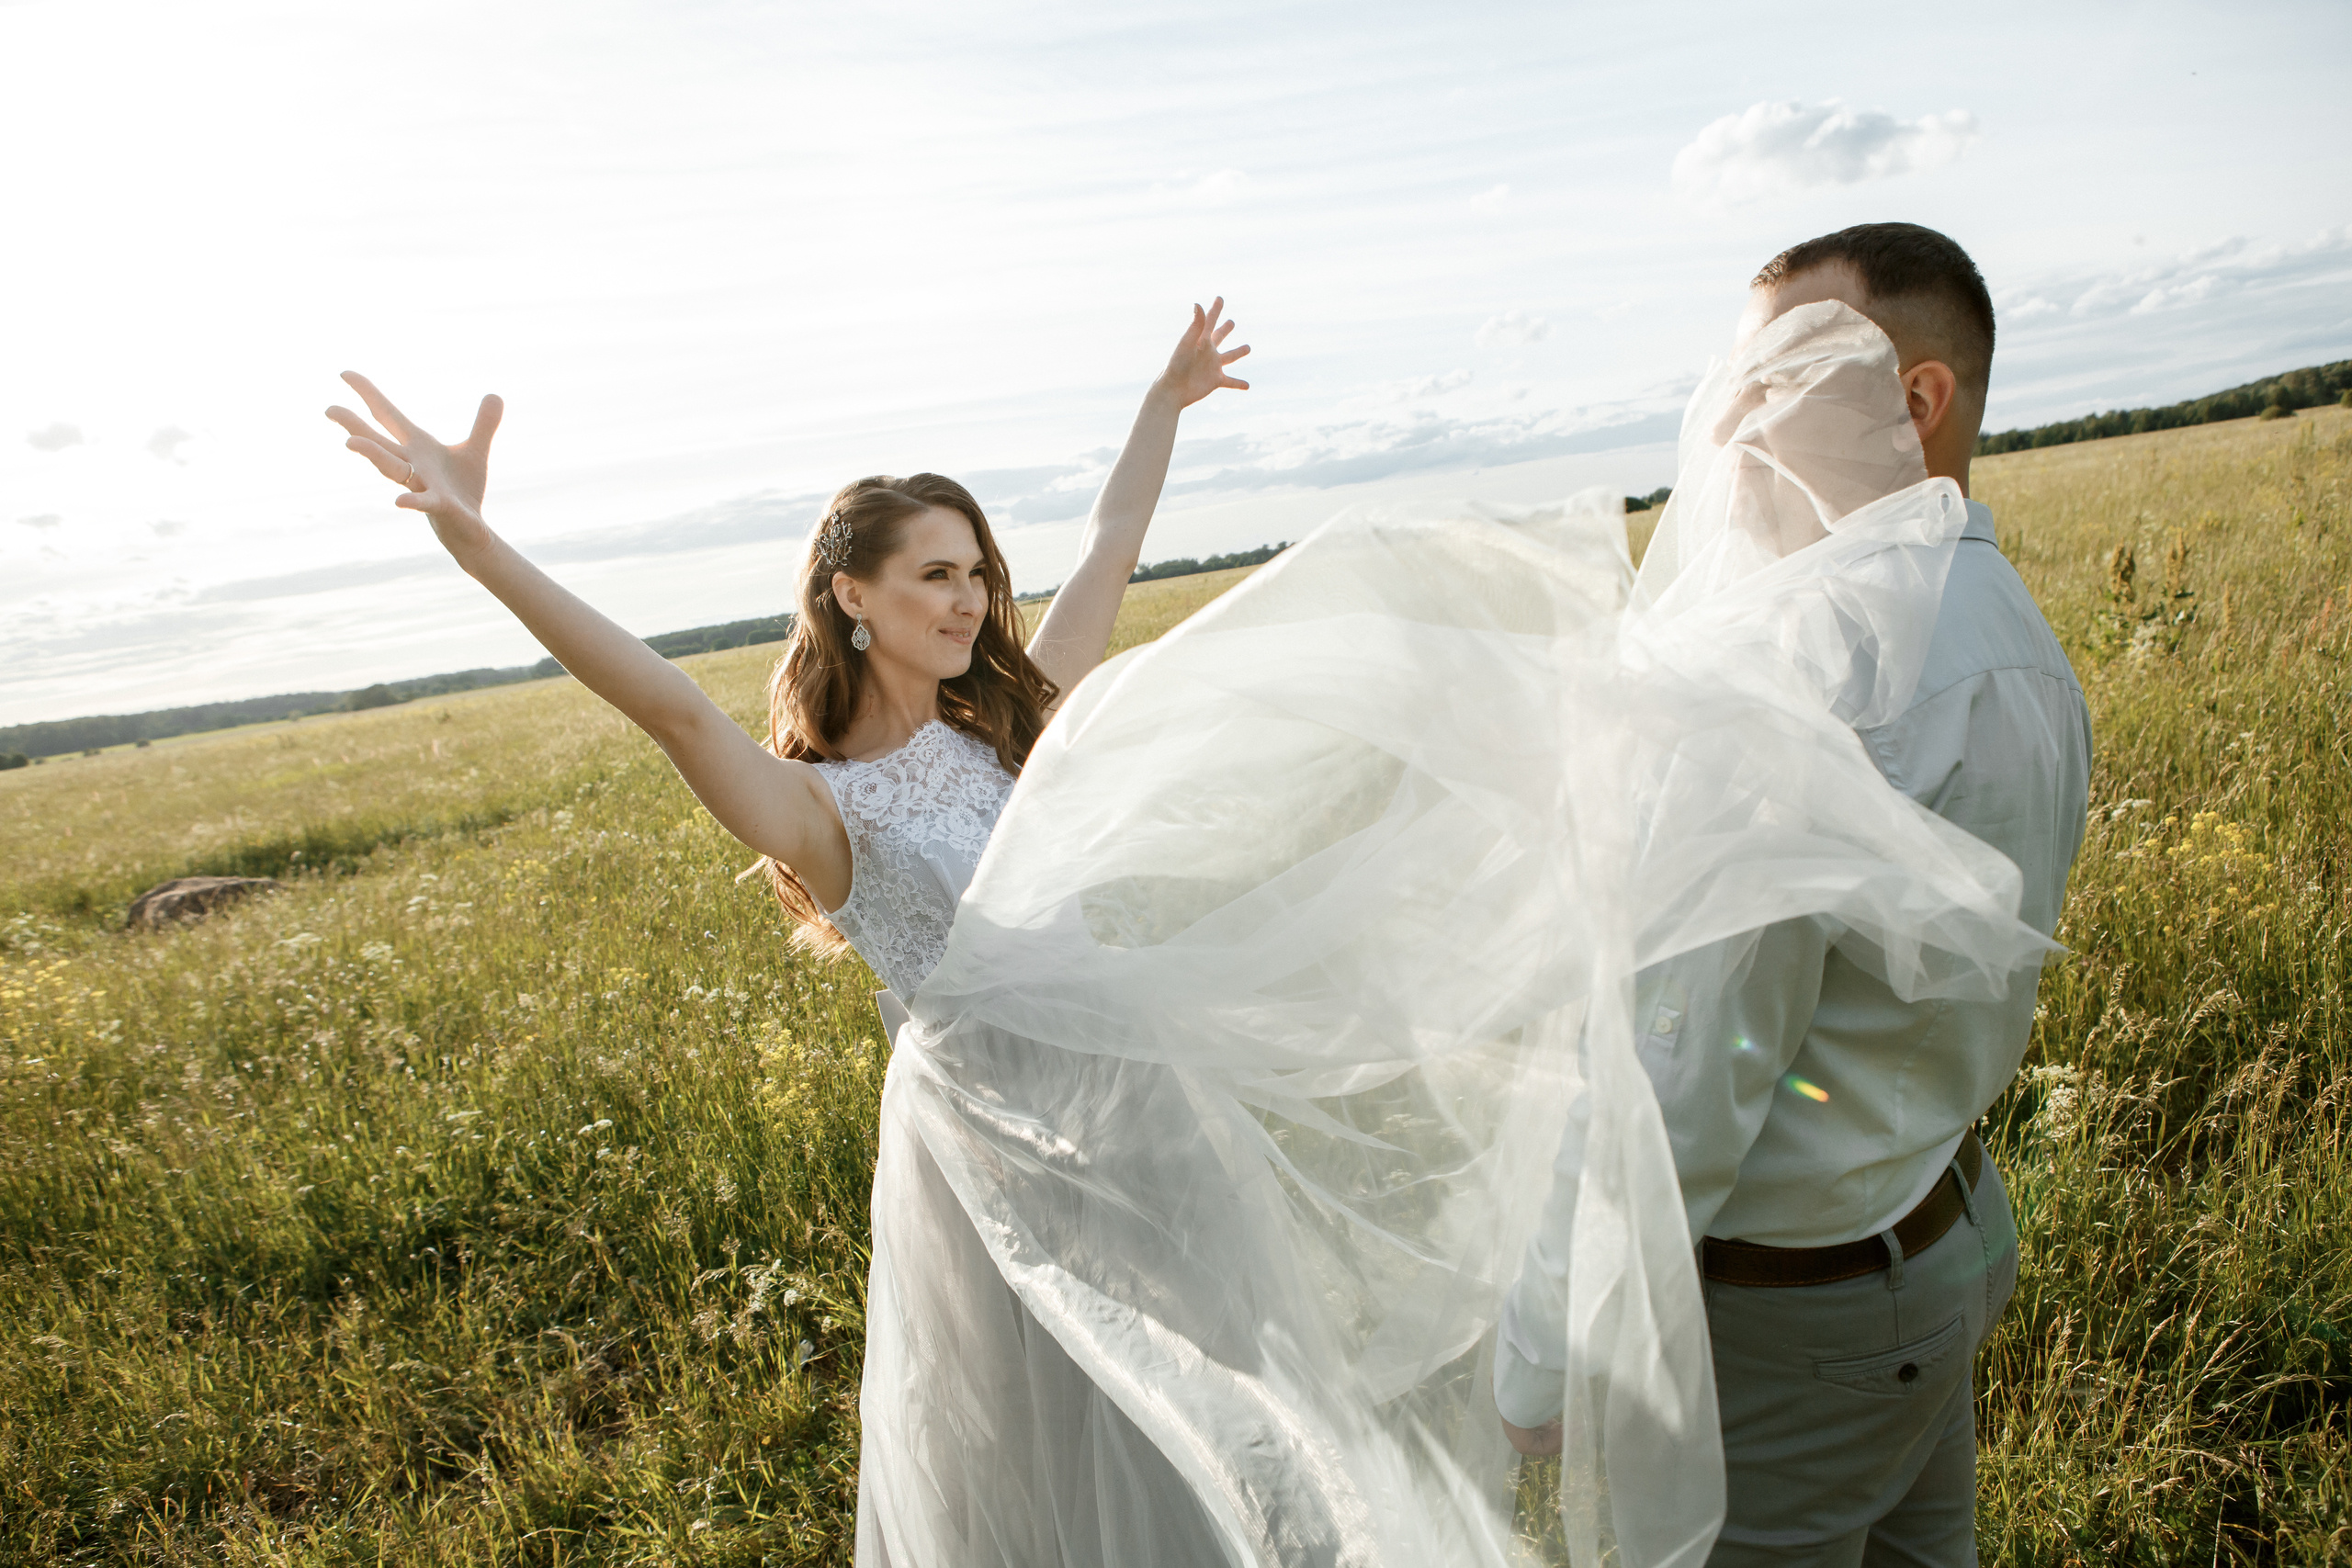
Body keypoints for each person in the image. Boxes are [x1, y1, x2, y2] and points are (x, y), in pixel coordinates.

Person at [325, 300, 1253, 1564]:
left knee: (1188, 1409)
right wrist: (478, 543)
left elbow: (1107, 548)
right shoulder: (822, 809)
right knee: (1053, 1449)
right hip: (1000, 1157)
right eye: (937, 574)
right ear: (852, 593)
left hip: (1136, 1105)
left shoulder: (1011, 727)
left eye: (977, 572)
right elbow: (672, 710)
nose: (971, 599)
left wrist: (1161, 404)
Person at [1492, 223, 2095, 1565]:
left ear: (1918, 399)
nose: (1730, 416)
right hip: (1942, 1225)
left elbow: (1675, 1076)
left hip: (1800, 1321)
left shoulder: (1796, 678)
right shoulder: (2012, 629)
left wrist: (1546, 1348)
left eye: (1781, 373)